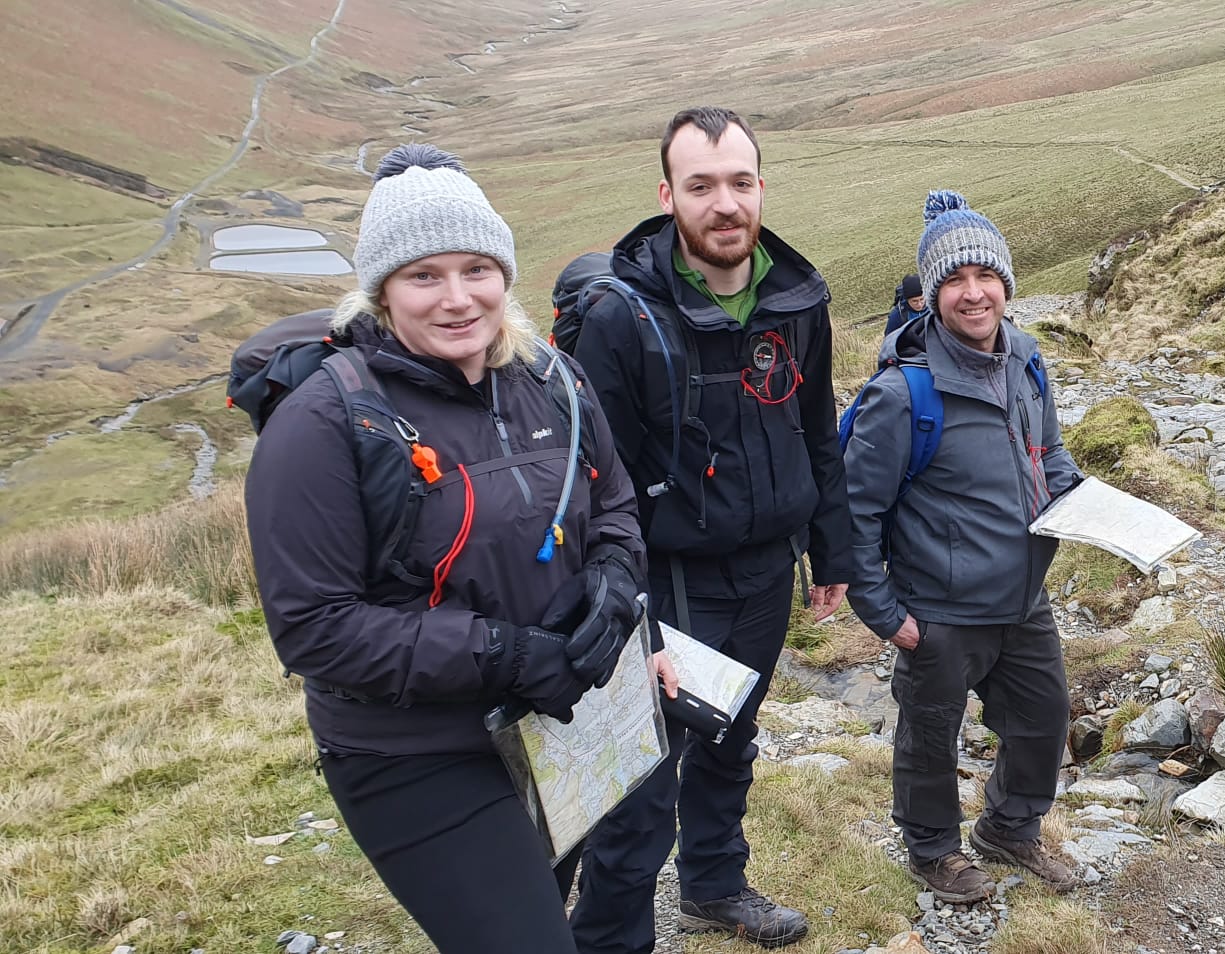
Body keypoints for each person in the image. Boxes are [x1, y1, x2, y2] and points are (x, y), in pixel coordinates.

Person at [243, 144, 649, 954]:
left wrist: (612, 582)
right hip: (413, 755)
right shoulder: (323, 423)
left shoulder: (553, 378)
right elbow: (315, 628)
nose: (459, 298)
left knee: (537, 914)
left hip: (550, 725)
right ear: (381, 291)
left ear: (505, 273)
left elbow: (615, 506)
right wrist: (502, 651)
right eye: (425, 275)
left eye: (477, 269)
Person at [566, 106, 851, 951]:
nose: (724, 204)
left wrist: (830, 549)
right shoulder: (623, 317)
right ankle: (608, 937)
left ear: (761, 186)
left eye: (739, 182)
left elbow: (818, 426)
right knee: (645, 780)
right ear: (668, 195)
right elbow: (592, 481)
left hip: (767, 570)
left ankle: (713, 888)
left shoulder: (797, 300)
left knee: (732, 740)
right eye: (701, 186)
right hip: (670, 580)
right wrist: (623, 605)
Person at [843, 191, 1083, 903]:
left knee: (1044, 721)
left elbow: (1052, 457)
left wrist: (1094, 506)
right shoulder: (902, 395)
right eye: (954, 280)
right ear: (932, 295)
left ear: (1007, 284)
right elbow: (854, 512)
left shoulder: (1028, 361)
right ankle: (933, 852)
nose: (973, 294)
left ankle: (1010, 827)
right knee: (929, 738)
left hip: (1023, 597)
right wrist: (885, 613)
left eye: (986, 277)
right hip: (940, 609)